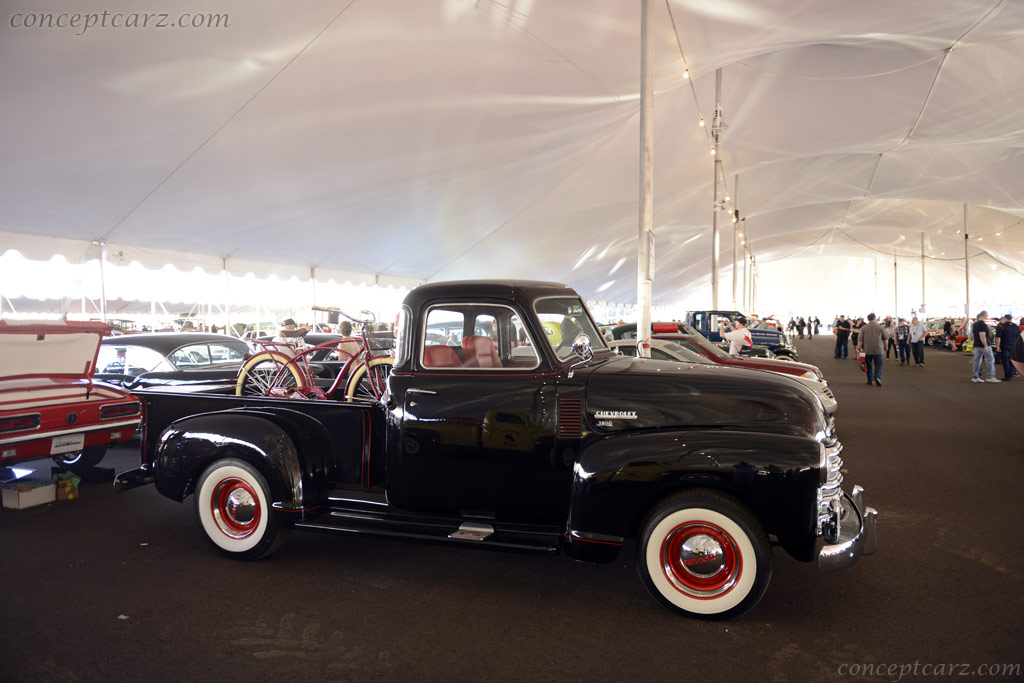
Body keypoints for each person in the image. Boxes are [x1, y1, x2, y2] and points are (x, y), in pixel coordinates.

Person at [858, 313, 888, 386]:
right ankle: (877, 376)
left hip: (867, 350)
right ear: (875, 318)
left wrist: (859, 348)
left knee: (869, 365)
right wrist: (886, 346)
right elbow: (886, 338)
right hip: (878, 350)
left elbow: (860, 340)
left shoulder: (863, 328)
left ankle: (870, 380)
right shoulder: (880, 327)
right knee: (879, 365)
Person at [970, 311, 999, 383]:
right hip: (984, 345)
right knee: (990, 359)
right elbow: (982, 335)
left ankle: (975, 377)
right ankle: (990, 376)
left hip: (977, 345)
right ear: (984, 315)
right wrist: (985, 346)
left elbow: (973, 335)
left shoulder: (974, 325)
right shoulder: (982, 325)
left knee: (977, 360)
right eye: (987, 315)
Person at [995, 314, 1020, 381]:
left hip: (1004, 346)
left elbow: (998, 337)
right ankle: (1010, 374)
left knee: (1005, 361)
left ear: (1005, 318)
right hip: (1014, 346)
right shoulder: (1016, 327)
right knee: (1012, 361)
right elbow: (1018, 337)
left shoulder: (1001, 326)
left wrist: (997, 346)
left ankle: (1008, 376)